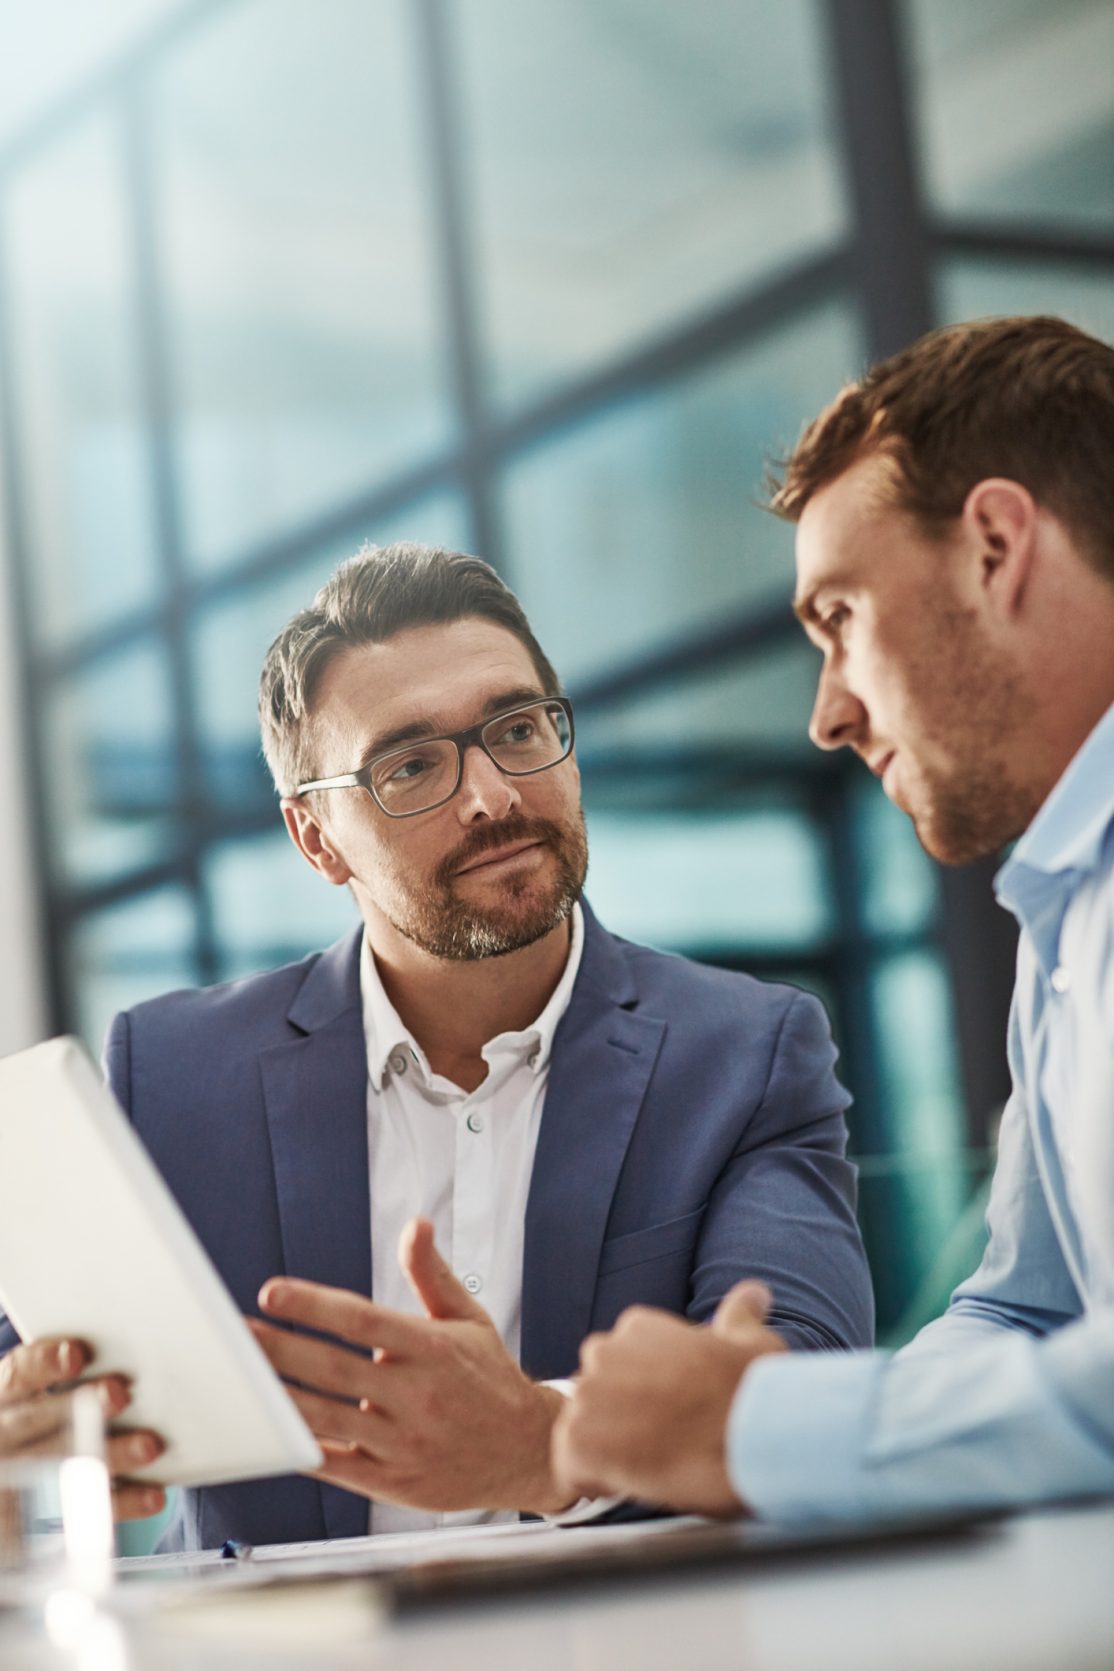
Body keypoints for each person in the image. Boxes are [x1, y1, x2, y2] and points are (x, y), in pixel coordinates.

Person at [0, 544, 873, 1549]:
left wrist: (542, 1442)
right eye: (411, 764)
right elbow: (29, 1379)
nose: (492, 796)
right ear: (316, 839)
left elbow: (800, 1386)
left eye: (517, 729)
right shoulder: (175, 1077)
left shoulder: (748, 1054)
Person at [552, 314, 1114, 1522]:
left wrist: (769, 1430)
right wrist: (759, 1433)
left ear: (996, 547)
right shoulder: (1065, 909)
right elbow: (1024, 1307)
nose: (826, 714)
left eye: (840, 618)